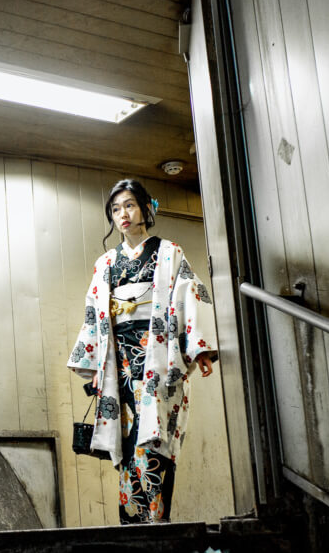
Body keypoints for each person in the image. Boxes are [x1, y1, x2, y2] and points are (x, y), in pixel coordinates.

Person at [67, 178, 218, 524]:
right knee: (125, 445)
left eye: (130, 205)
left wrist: (200, 349)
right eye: (116, 208)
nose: (123, 214)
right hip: (118, 366)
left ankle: (157, 524)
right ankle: (132, 528)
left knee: (154, 443)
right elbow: (94, 313)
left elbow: (189, 296)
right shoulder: (105, 264)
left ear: (146, 209)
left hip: (158, 362)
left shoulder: (169, 253)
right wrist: (93, 369)